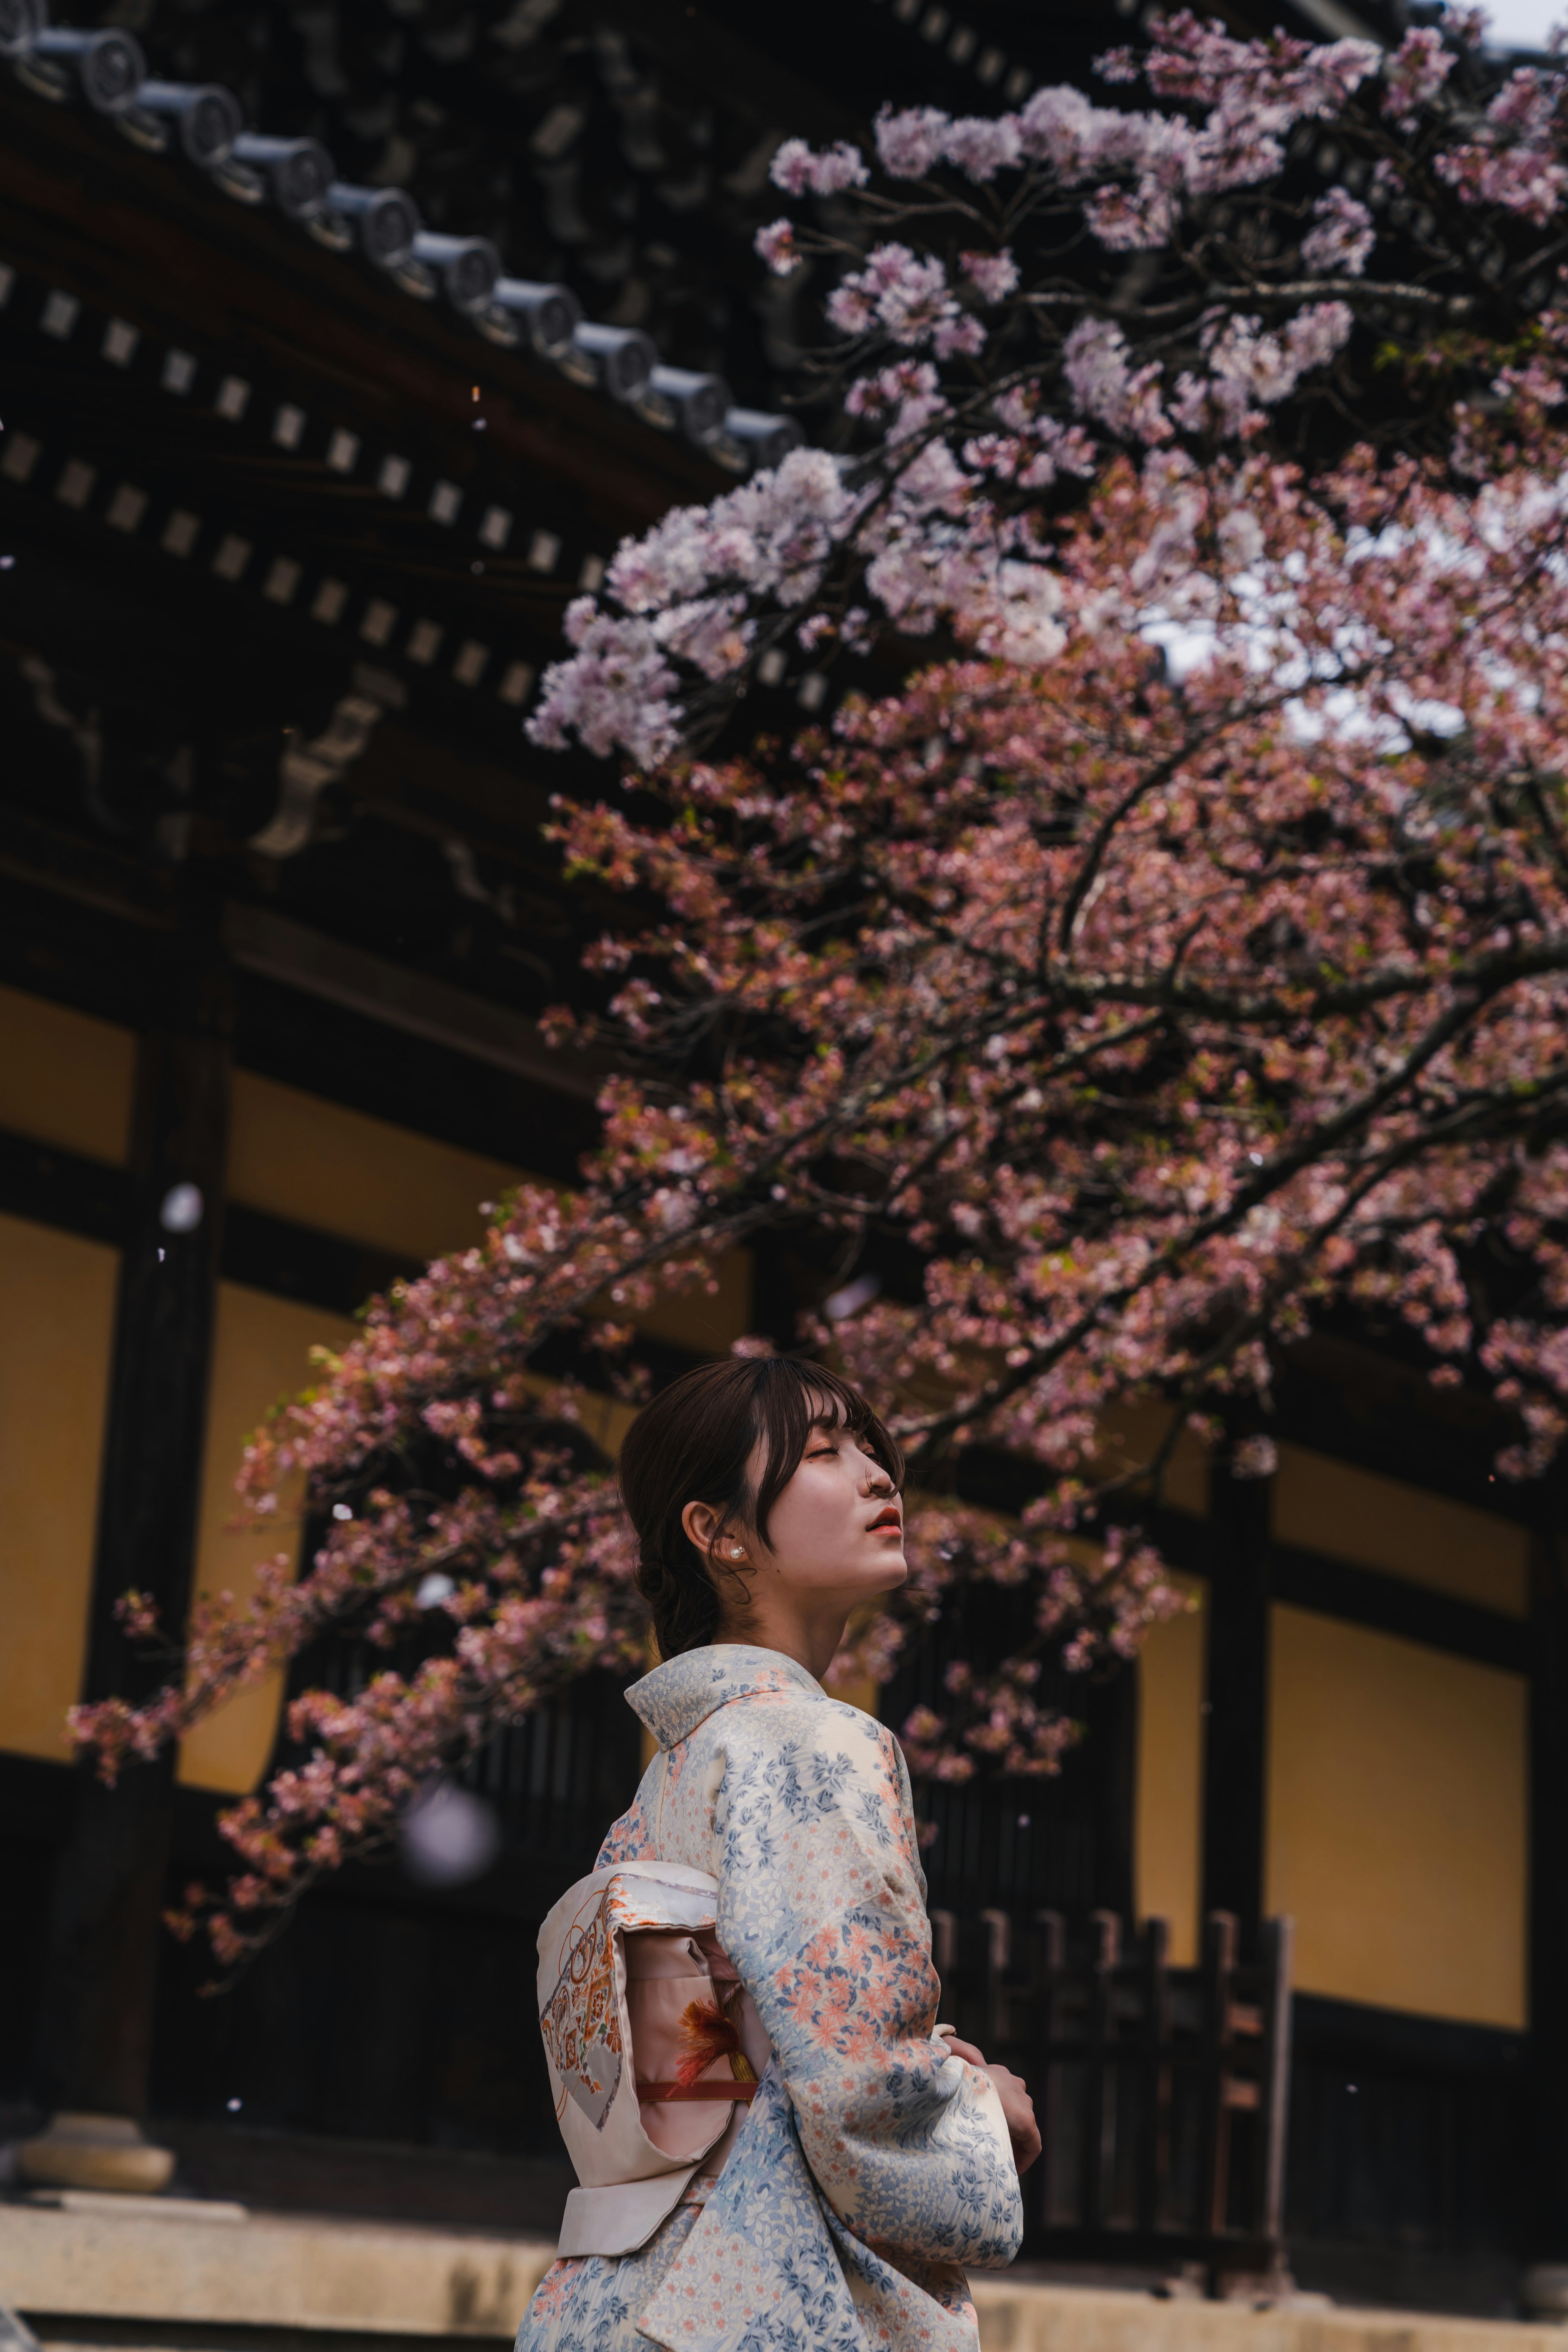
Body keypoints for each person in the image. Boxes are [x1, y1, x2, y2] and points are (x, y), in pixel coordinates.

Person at [517, 1353, 1039, 2352]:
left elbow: (732, 2059)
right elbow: (856, 2094)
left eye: (874, 1451)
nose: (881, 1477)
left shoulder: (667, 1784)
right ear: (716, 1533)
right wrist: (983, 2117)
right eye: (824, 1454)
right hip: (762, 2302)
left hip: (631, 2295)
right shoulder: (814, 1743)